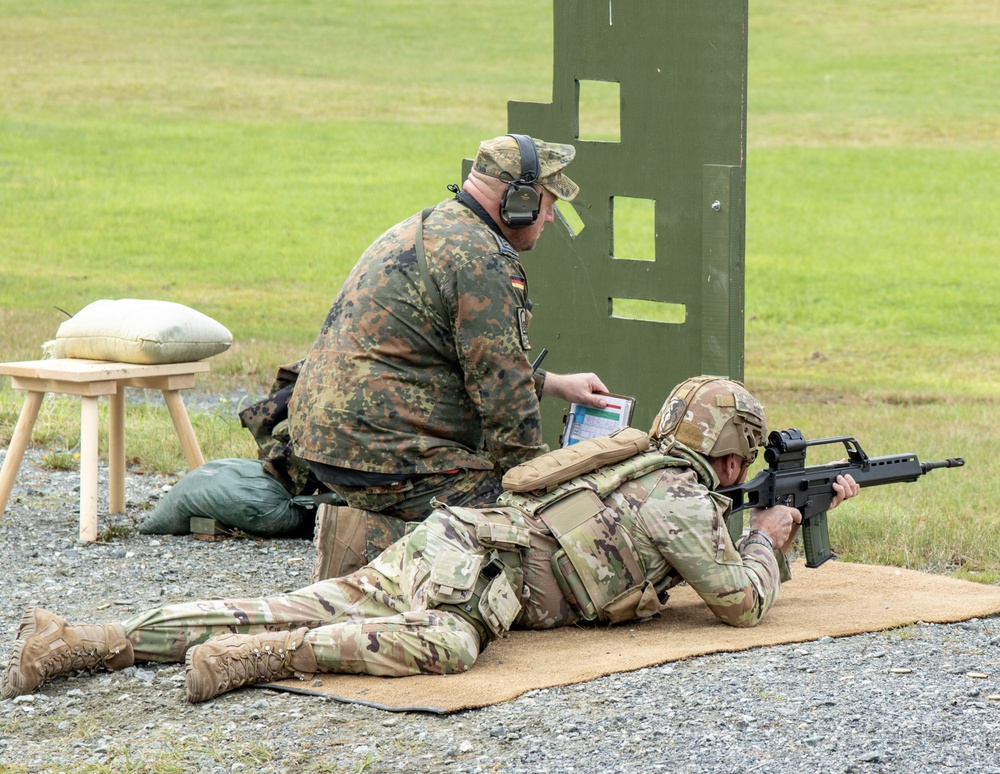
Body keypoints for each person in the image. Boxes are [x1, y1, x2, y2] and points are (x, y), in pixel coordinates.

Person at [1, 376, 860, 704]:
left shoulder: (625, 459)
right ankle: (264, 658)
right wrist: (774, 536)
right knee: (443, 645)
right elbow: (741, 605)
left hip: (451, 534)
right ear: (732, 450)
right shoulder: (683, 501)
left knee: (282, 598)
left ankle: (87, 642)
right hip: (488, 571)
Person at [286, 134, 609, 524]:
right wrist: (545, 487)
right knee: (533, 527)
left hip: (328, 445)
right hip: (384, 461)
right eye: (548, 203)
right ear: (519, 203)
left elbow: (462, 354)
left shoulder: (434, 225)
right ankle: (370, 544)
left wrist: (553, 384)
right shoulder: (481, 260)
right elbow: (503, 397)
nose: (551, 217)